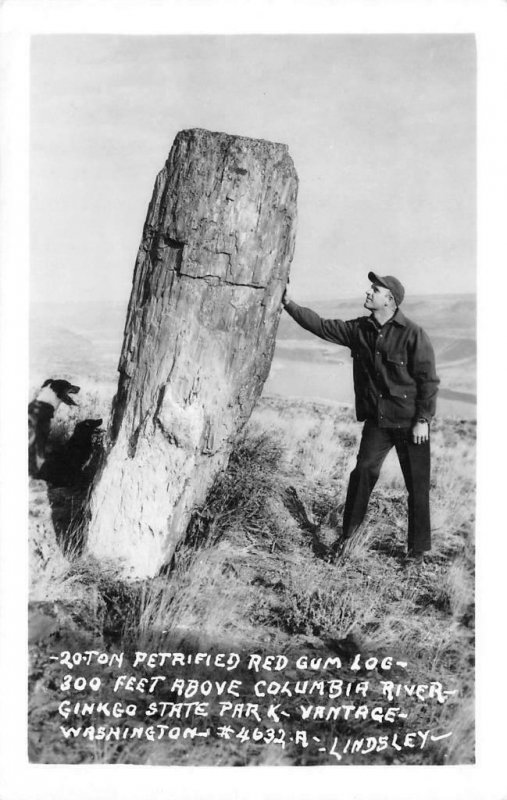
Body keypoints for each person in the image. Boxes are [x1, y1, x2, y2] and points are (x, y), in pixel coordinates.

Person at [282, 272, 439, 564]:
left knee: (417, 487)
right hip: (378, 422)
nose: (368, 292)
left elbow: (428, 381)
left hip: (410, 423)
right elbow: (321, 326)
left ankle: (416, 552)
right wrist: (288, 302)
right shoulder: (360, 330)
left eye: (375, 289)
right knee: (362, 474)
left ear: (389, 300)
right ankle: (348, 538)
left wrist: (423, 420)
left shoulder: (413, 334)